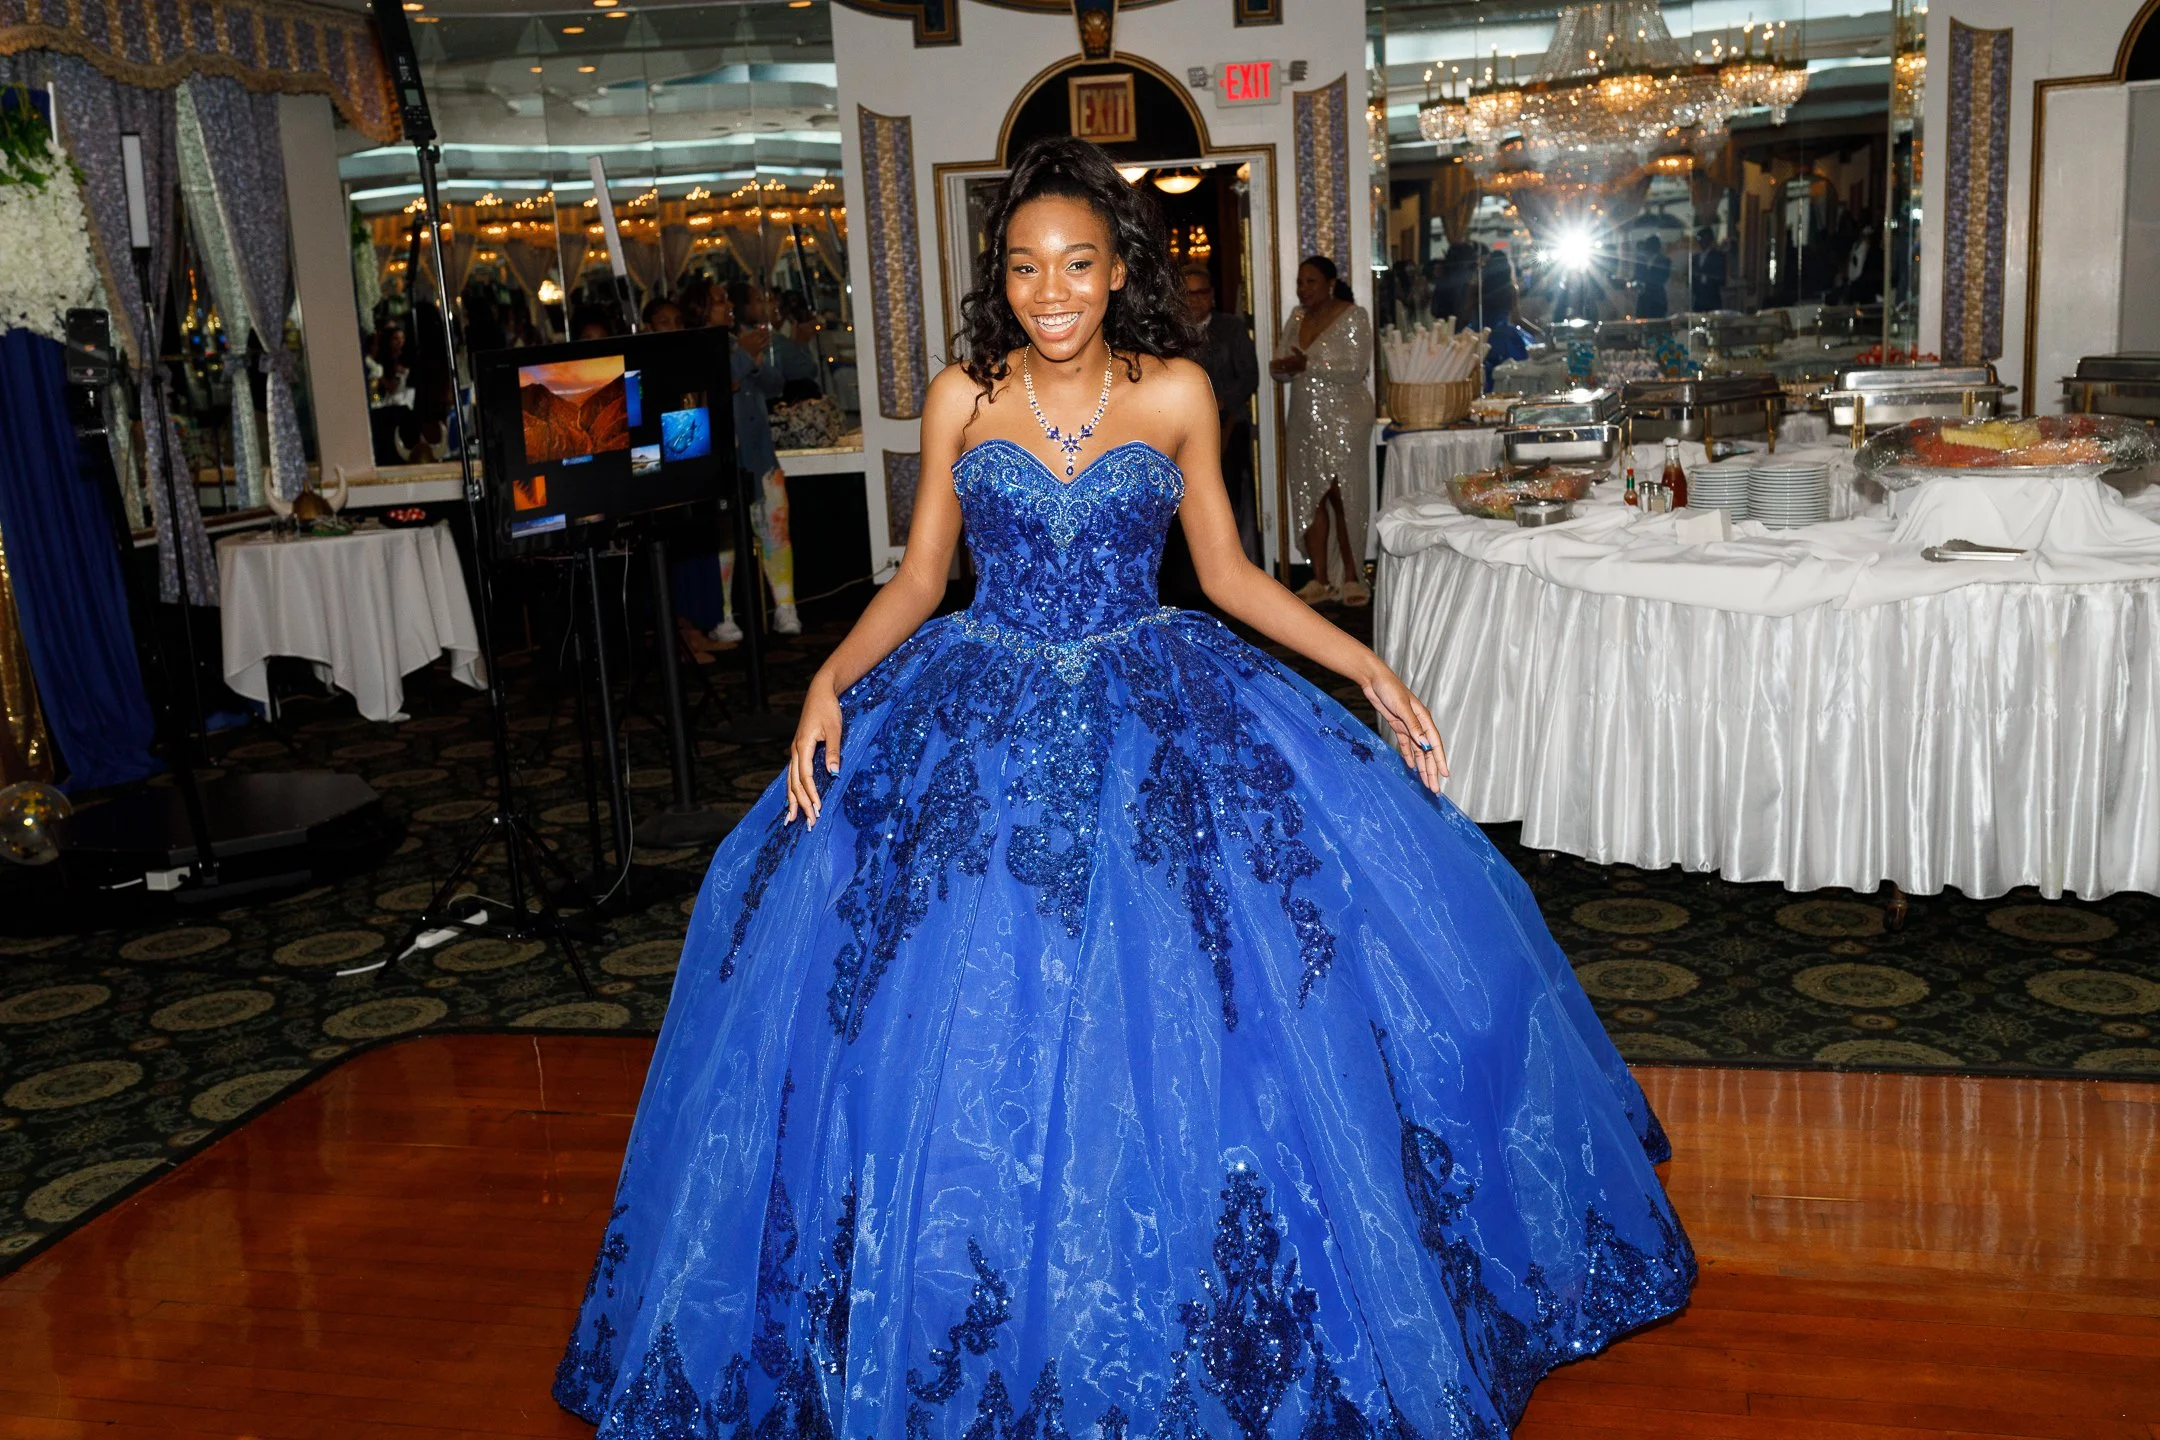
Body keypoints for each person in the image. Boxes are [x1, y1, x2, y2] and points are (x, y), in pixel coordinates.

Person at [553, 134, 1693, 1440]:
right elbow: (922, 580)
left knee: (1218, 990)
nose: (1052, 290)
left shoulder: (1178, 394)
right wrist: (832, 682)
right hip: (977, 716)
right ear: (1002, 277)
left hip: (1155, 714)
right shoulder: (958, 399)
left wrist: (1364, 664)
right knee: (944, 1004)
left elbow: (1229, 574)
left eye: (1078, 265)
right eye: (1027, 266)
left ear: (1115, 272)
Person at [1270, 255, 1374, 606]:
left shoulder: (1353, 315)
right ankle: (1320, 579)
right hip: (1303, 417)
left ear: (1330, 283)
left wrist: (1308, 363)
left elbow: (1356, 367)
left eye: (1310, 281)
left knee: (1342, 494)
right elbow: (1282, 365)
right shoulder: (1297, 317)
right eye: (1300, 282)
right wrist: (1283, 366)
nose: (1303, 289)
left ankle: (1351, 575)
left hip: (1346, 417)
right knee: (1309, 493)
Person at [710, 281, 799, 639]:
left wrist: (756, 361)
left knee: (776, 533)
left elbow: (777, 384)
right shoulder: (704, 347)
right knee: (724, 540)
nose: (727, 305)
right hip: (723, 459)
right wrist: (745, 358)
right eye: (718, 301)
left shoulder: (739, 340)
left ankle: (786, 608)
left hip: (760, 455)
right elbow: (715, 385)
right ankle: (723, 615)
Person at [1180, 261, 1260, 564]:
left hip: (1229, 423)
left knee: (1228, 498)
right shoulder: (1172, 332)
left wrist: (1221, 402)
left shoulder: (1231, 328)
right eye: (1189, 294)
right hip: (1185, 428)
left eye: (1202, 293)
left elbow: (1250, 376)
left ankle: (1235, 565)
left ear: (1212, 294)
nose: (1197, 299)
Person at [1632, 234, 1672, 319]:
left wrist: (1644, 280)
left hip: (1657, 299)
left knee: (1656, 325)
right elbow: (1636, 276)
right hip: (1643, 299)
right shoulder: (1641, 261)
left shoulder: (1665, 261)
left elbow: (1661, 279)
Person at [1691, 226, 1728, 311]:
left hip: (1712, 298)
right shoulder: (1695, 257)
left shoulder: (1718, 256)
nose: (1701, 241)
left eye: (1704, 238)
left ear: (1710, 239)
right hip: (1698, 299)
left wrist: (1704, 275)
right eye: (1699, 239)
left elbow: (1721, 277)